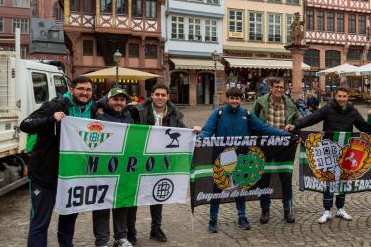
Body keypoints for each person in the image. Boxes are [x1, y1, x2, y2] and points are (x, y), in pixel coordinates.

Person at [285, 86, 371, 224]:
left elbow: (364, 127)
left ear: (348, 97)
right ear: (335, 96)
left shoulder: (353, 111)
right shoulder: (327, 108)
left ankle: (340, 208)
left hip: (345, 152)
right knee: (328, 180)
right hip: (329, 151)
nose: (342, 99)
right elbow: (312, 118)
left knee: (343, 180)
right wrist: (296, 125)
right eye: (340, 96)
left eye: (344, 96)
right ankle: (327, 210)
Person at [199, 87, 291, 234]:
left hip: (241, 156)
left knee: (240, 187)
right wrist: (200, 138)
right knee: (217, 188)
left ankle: (242, 217)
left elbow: (264, 128)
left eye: (237, 98)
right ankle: (213, 219)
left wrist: (285, 135)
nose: (234, 101)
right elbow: (207, 130)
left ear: (240, 100)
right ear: (227, 98)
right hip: (222, 156)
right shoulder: (218, 113)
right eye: (231, 98)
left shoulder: (247, 114)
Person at [20, 75, 96, 247]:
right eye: (81, 89)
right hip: (46, 175)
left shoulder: (93, 109)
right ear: (72, 89)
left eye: (88, 90)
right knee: (40, 222)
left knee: (68, 222)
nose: (85, 93)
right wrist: (51, 119)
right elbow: (26, 124)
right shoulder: (55, 105)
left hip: (73, 177)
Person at [125, 83, 201, 244]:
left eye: (163, 95)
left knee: (157, 194)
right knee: (134, 195)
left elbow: (183, 132)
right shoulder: (137, 110)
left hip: (162, 161)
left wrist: (193, 132)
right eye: (157, 94)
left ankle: (156, 228)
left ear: (167, 97)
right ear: (151, 95)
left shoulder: (175, 114)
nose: (160, 97)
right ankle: (130, 231)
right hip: (140, 160)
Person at [91, 87, 136, 247]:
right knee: (101, 205)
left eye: (122, 100)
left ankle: (120, 237)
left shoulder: (128, 115)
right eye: (115, 99)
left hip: (122, 168)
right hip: (103, 168)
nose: (119, 102)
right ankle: (102, 241)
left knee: (121, 203)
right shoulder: (97, 112)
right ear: (107, 100)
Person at [251, 77, 299, 224]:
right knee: (264, 179)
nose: (279, 90)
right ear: (271, 87)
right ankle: (265, 210)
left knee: (286, 178)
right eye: (276, 87)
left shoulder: (290, 104)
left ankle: (288, 210)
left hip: (284, 146)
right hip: (265, 145)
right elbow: (252, 121)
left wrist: (295, 131)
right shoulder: (260, 103)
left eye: (281, 87)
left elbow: (297, 122)